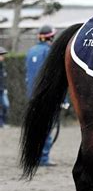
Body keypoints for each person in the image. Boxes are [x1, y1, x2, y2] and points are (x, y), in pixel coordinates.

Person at [25, 25, 57, 166]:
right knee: (46, 128)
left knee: (35, 127)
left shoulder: (31, 51)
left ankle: (33, 156)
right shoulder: (49, 51)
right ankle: (43, 158)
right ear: (51, 37)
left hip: (32, 94)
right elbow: (53, 77)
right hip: (46, 96)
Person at [0, 46, 8, 128]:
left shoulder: (3, 65)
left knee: (5, 105)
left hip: (2, 89)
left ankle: (3, 122)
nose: (3, 57)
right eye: (1, 55)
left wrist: (5, 88)